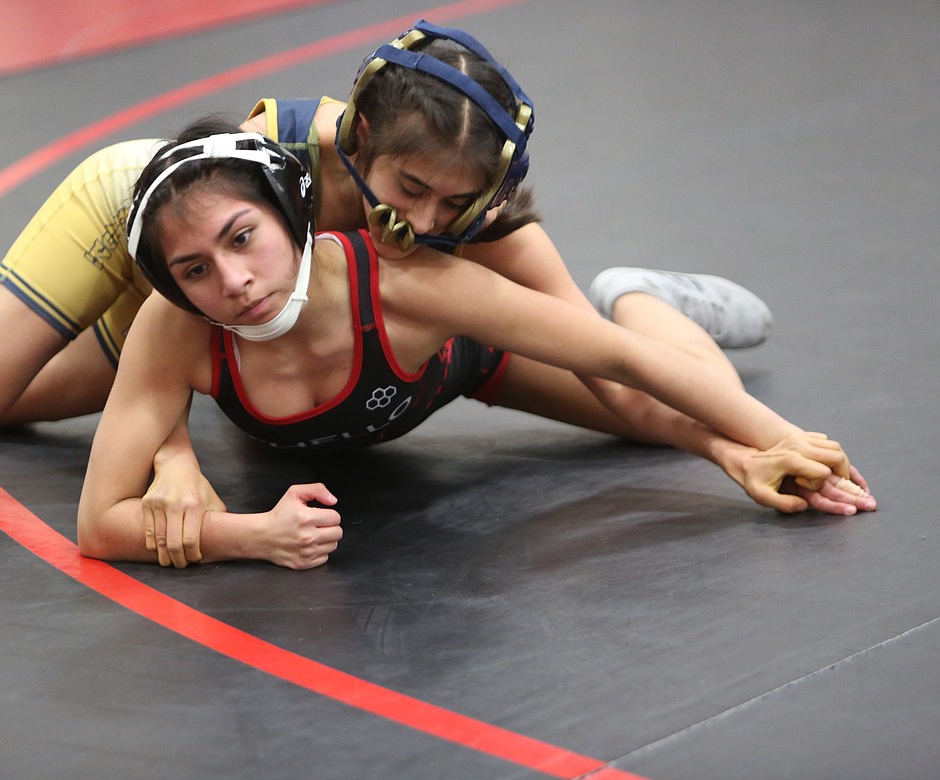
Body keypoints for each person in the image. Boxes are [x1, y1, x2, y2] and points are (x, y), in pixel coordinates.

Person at [0, 20, 768, 458]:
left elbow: (592, 357)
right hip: (146, 242)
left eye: (452, 208)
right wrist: (171, 461)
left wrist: (723, 437)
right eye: (410, 192)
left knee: (638, 401)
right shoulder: (260, 170)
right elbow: (173, 310)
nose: (424, 224)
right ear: (359, 137)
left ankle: (641, 290)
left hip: (257, 326)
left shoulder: (468, 200)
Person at [75, 121, 875, 571]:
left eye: (244, 237)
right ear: (174, 284)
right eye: (196, 269)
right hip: (368, 402)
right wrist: (248, 536)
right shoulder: (176, 330)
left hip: (464, 366)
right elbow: (98, 524)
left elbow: (617, 359)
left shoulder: (408, 285)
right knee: (25, 398)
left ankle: (638, 294)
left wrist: (762, 444)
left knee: (647, 404)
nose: (235, 280)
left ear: (290, 213)